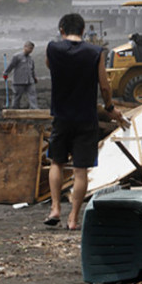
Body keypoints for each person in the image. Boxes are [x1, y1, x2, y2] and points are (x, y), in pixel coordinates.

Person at [45, 13, 128, 230]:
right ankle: (73, 218)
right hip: (86, 117)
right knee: (80, 171)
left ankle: (55, 208)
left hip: (61, 116)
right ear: (83, 30)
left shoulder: (53, 49)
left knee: (56, 162)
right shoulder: (95, 52)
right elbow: (104, 86)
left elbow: (50, 66)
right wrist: (110, 108)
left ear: (61, 29)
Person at [4, 41, 38, 109]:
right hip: (19, 81)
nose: (31, 50)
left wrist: (34, 77)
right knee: (17, 96)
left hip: (29, 81)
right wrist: (5, 73)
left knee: (32, 95)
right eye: (29, 48)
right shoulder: (17, 56)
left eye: (32, 49)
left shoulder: (31, 59)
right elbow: (11, 65)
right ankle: (14, 109)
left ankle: (34, 109)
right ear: (25, 47)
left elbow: (32, 69)